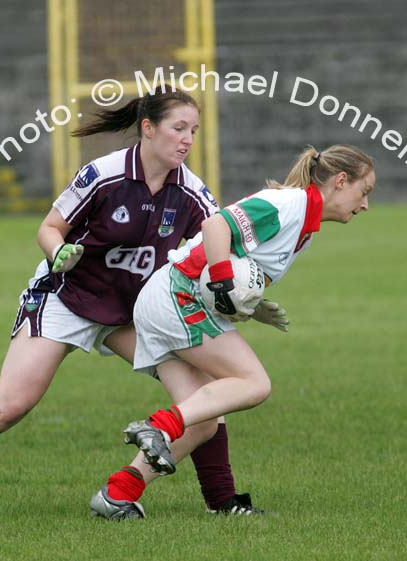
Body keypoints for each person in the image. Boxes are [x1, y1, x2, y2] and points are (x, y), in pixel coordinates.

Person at [0, 87, 280, 522]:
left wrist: (246, 295)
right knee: (9, 406)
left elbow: (219, 239)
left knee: (206, 399)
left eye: (194, 130)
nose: (187, 139)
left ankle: (221, 502)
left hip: (133, 312)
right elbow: (49, 228)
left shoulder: (189, 190)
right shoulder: (105, 173)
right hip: (67, 296)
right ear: (148, 129)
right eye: (178, 128)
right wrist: (58, 252)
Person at [90, 144, 375, 518]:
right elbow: (216, 225)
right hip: (177, 296)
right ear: (340, 181)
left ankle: (120, 494)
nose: (365, 204)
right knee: (254, 384)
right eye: (364, 191)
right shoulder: (288, 205)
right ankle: (158, 427)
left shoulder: (305, 222)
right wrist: (225, 283)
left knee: (205, 417)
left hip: (173, 296)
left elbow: (240, 259)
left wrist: (250, 305)